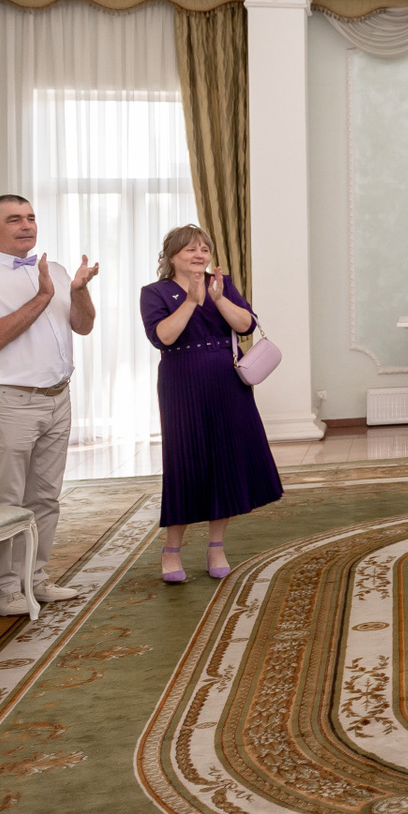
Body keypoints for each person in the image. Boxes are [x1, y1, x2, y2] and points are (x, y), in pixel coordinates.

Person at [0, 196, 95, 616]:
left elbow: (83, 325)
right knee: (5, 500)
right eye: (14, 219)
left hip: (59, 397)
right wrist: (43, 296)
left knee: (46, 497)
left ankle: (35, 579)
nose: (26, 225)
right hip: (12, 401)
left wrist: (78, 292)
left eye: (30, 218)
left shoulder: (57, 270)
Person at [140, 225, 283, 583]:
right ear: (172, 255)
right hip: (182, 382)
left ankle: (216, 546)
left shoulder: (223, 284)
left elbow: (247, 325)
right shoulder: (154, 292)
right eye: (191, 249)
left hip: (226, 382)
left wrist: (218, 298)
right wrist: (192, 299)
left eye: (204, 249)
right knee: (184, 462)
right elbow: (164, 337)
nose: (199, 254)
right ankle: (171, 550)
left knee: (225, 461)